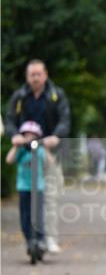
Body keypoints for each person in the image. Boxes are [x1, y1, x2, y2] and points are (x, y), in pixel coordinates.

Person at [5, 59, 71, 254]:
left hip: (48, 151)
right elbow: (9, 119)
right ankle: (32, 240)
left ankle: (48, 238)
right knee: (27, 203)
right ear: (27, 76)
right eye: (31, 75)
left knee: (49, 196)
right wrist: (15, 136)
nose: (35, 78)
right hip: (25, 152)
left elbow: (65, 120)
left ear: (45, 74)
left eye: (38, 74)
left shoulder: (56, 95)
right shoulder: (19, 97)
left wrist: (55, 137)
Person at [6, 121, 47, 262]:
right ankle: (29, 240)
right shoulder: (20, 151)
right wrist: (16, 146)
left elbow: (49, 163)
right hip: (23, 188)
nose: (29, 138)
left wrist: (43, 146)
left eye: (32, 136)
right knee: (25, 217)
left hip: (38, 187)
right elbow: (9, 160)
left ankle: (41, 241)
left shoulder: (40, 150)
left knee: (39, 216)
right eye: (26, 135)